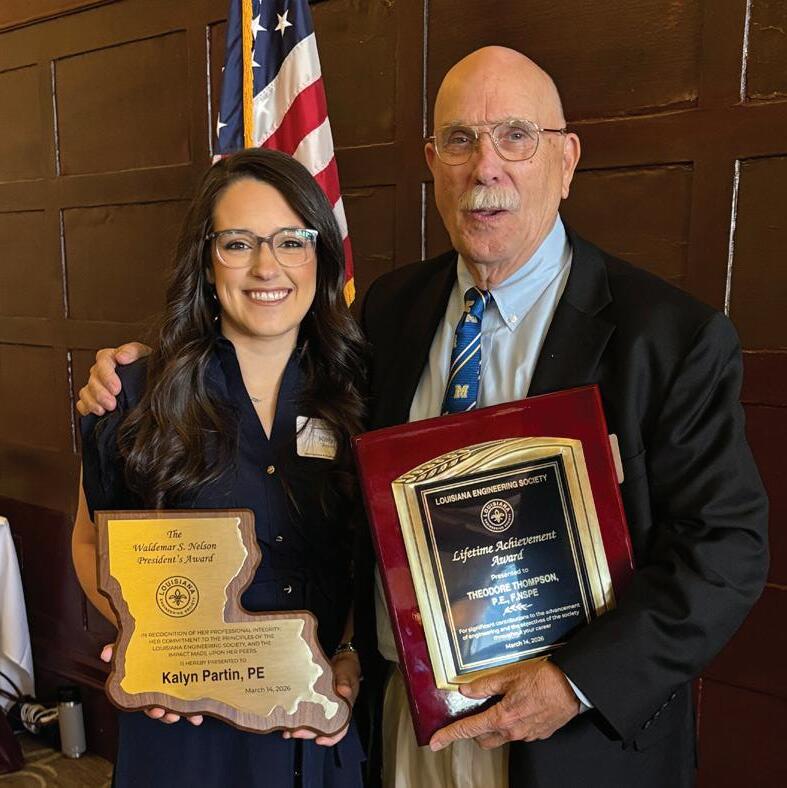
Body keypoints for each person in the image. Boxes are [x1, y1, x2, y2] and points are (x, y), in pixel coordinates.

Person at [78, 47, 769, 788]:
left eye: (515, 136)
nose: (485, 168)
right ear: (433, 162)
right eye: (460, 140)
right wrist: (143, 371)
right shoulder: (391, 312)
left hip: (572, 744)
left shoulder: (670, 338)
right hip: (403, 728)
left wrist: (574, 684)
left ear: (566, 160)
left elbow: (726, 550)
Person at [71, 148, 367, 787]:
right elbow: (92, 543)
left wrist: (348, 653)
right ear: (206, 262)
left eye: (291, 240)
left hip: (316, 724)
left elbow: (369, 556)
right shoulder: (133, 392)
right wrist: (155, 644)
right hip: (185, 732)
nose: (267, 267)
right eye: (238, 244)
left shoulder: (363, 393)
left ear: (320, 256)